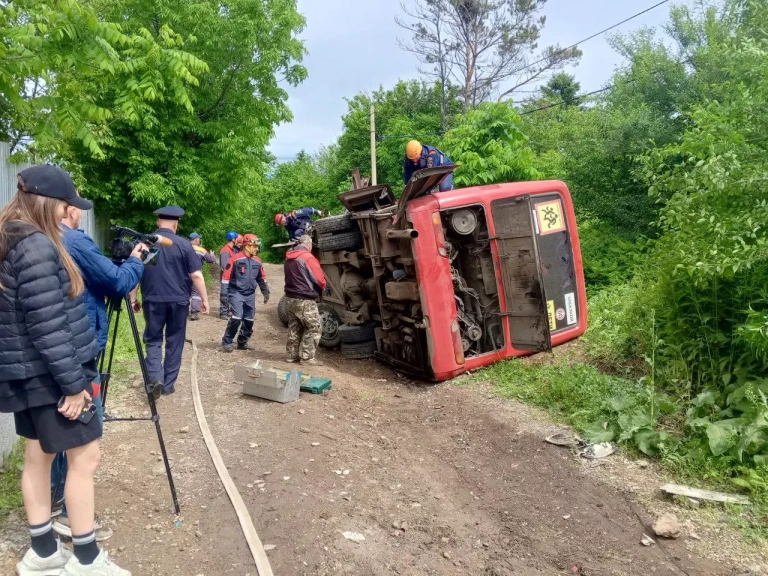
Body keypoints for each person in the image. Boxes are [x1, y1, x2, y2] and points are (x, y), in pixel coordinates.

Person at [0, 165, 131, 575]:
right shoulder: (37, 246)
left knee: (39, 455)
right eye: (66, 205)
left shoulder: (13, 237)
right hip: (51, 375)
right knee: (85, 457)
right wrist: (75, 387)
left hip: (30, 373)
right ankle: (87, 559)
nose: (70, 213)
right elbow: (48, 325)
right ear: (50, 203)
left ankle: (42, 552)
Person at [50, 193, 147, 544]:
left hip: (50, 348)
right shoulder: (73, 239)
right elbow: (118, 283)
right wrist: (135, 261)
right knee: (82, 436)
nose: (80, 214)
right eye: (77, 208)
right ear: (68, 208)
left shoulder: (34, 234)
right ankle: (66, 513)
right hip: (77, 346)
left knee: (53, 432)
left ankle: (53, 505)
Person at [134, 206, 209, 398]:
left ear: (158, 222)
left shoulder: (144, 243)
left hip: (153, 300)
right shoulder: (185, 245)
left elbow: (134, 272)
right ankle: (167, 385)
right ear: (176, 224)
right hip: (179, 301)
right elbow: (196, 275)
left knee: (153, 339)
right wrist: (204, 299)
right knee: (175, 341)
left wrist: (133, 298)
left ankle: (155, 377)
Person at [221, 234, 269, 353]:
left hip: (250, 294)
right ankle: (227, 341)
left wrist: (265, 291)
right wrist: (224, 294)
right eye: (255, 246)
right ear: (247, 246)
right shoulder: (235, 259)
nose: (257, 249)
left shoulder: (257, 261)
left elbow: (261, 278)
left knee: (249, 319)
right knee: (237, 317)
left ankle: (242, 342)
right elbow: (226, 277)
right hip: (236, 292)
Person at [283, 235, 327, 366]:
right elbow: (318, 278)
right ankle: (307, 358)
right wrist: (324, 287)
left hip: (290, 297)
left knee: (294, 327)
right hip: (305, 298)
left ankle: (291, 356)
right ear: (308, 244)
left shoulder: (289, 257)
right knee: (314, 327)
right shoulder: (307, 257)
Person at [188, 232, 215, 321]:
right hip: (196, 273)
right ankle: (194, 312)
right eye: (199, 239)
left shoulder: (184, 248)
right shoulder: (201, 250)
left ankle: (183, 311)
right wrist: (212, 255)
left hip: (184, 274)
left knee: (185, 292)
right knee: (196, 293)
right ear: (196, 240)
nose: (200, 240)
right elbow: (211, 260)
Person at [218, 231, 238, 319]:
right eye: (236, 238)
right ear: (233, 239)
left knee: (230, 293)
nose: (237, 240)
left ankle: (227, 310)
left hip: (231, 276)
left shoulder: (231, 250)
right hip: (226, 276)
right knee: (224, 294)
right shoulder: (226, 250)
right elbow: (225, 266)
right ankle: (223, 312)